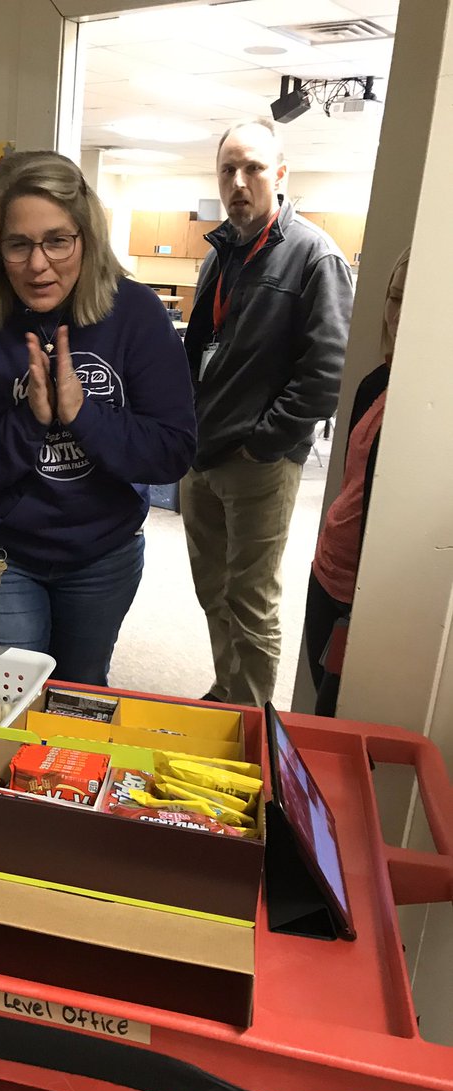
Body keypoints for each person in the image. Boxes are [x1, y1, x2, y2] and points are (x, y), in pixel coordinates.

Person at [0, 150, 196, 686]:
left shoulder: (135, 314)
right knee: (12, 701)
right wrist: (29, 421)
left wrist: (83, 415)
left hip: (103, 555)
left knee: (79, 695)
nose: (38, 264)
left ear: (86, 239)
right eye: (18, 244)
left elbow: (172, 452)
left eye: (57, 241)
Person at [181, 119, 354, 707]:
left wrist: (264, 441)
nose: (238, 181)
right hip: (202, 453)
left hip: (258, 462)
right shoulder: (221, 253)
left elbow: (327, 371)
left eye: (252, 167)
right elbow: (203, 350)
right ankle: (227, 690)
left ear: (279, 174)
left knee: (251, 599)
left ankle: (252, 715)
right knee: (213, 589)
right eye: (227, 169)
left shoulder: (313, 255)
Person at [304, 248, 409, 718]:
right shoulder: (375, 383)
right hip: (328, 570)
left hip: (368, 598)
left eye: (416, 300)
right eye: (395, 298)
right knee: (322, 706)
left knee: (340, 716)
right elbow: (352, 485)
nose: (400, 315)